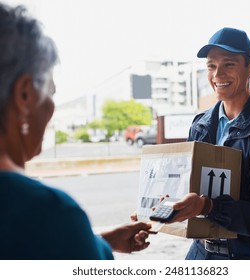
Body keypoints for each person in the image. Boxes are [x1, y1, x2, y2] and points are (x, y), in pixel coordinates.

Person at [0, 2, 151, 260]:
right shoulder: (49, 212)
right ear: (24, 94)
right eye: (50, 91)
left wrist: (97, 242)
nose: (51, 107)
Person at [167, 27, 250, 259]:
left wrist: (208, 207)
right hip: (201, 252)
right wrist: (162, 211)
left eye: (228, 64)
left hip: (249, 256)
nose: (217, 74)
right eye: (211, 66)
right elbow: (188, 186)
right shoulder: (201, 124)